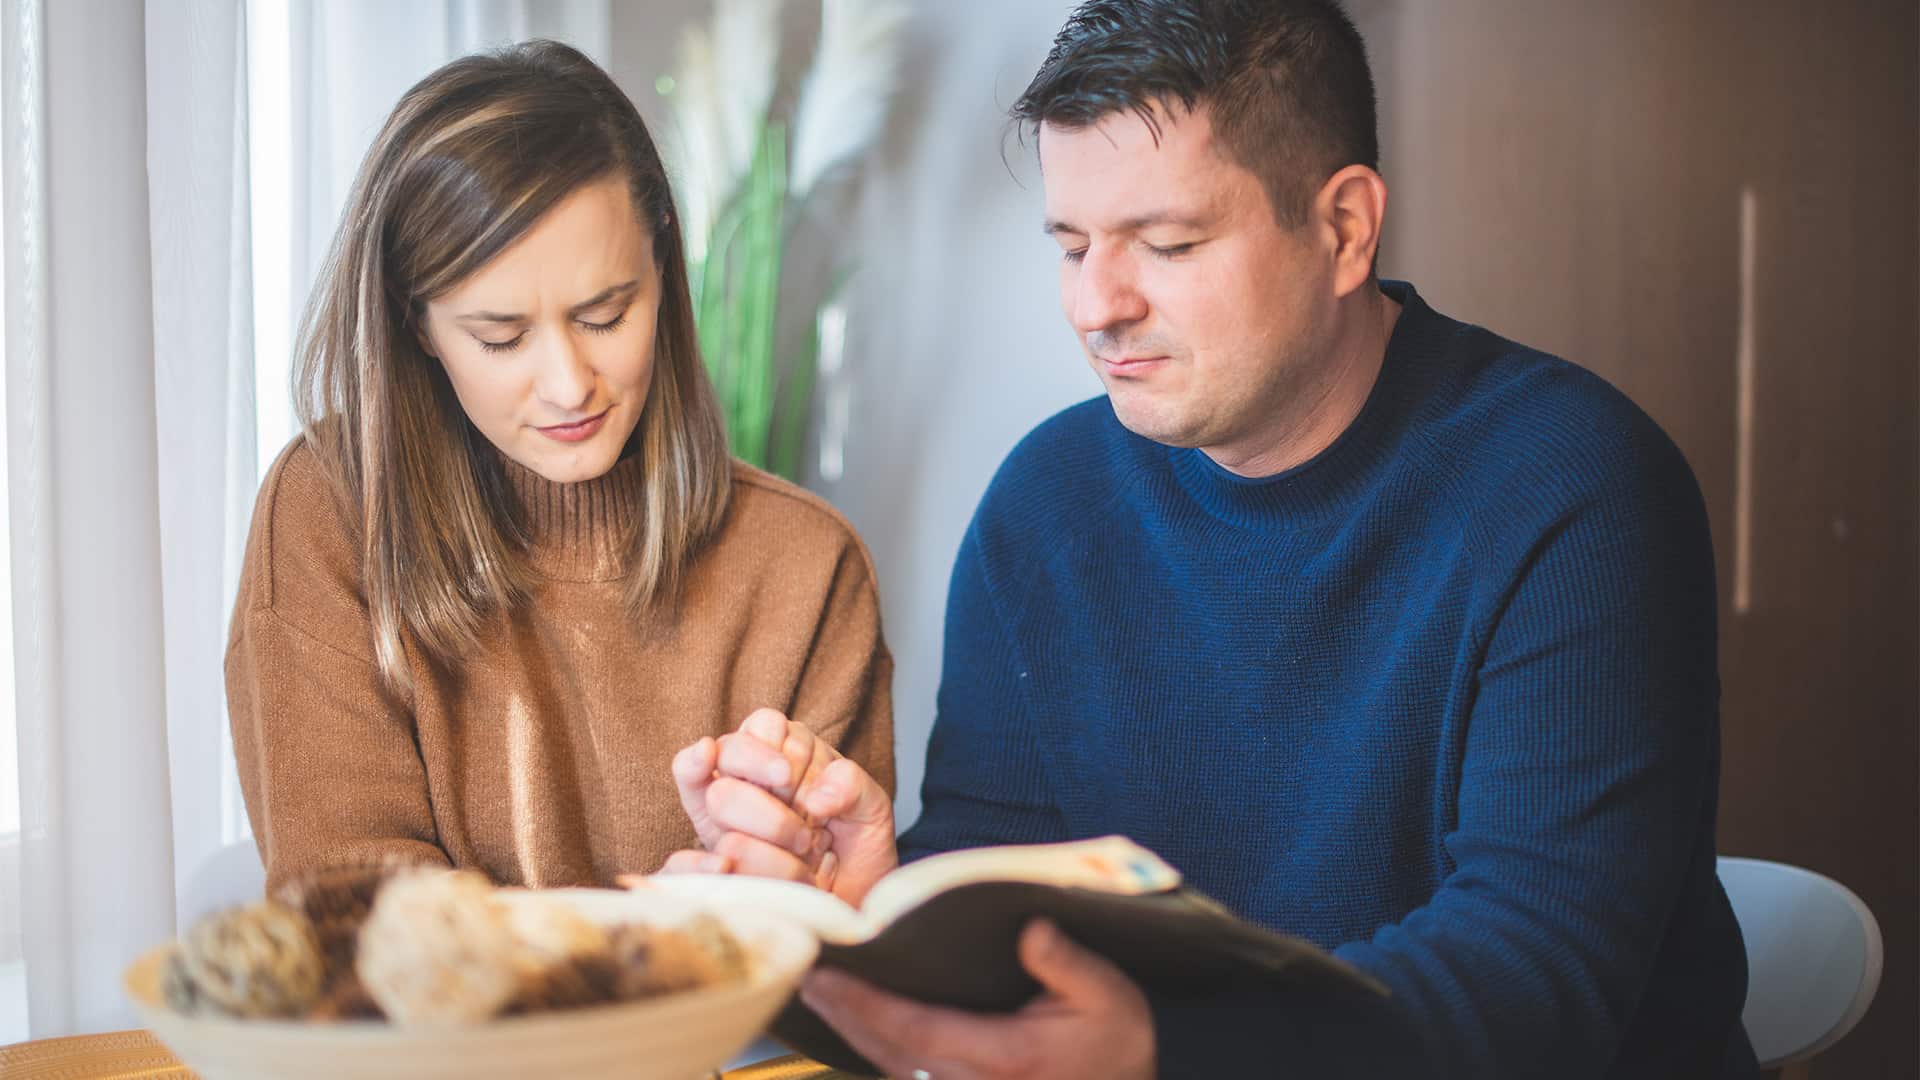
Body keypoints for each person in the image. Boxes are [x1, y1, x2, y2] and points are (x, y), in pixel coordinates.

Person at [669, 1, 1757, 1077]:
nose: (1097, 305)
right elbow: (1005, 898)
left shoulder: (1571, 488)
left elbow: (1535, 986)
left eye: (1168, 242)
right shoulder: (1047, 506)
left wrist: (1166, 1049)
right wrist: (878, 911)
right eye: (1072, 244)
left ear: (1343, 229)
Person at [226, 40, 893, 896]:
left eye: (606, 314)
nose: (570, 384)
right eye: (500, 337)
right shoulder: (331, 513)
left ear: (661, 265)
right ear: (415, 324)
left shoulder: (807, 567)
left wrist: (811, 898)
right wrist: (660, 937)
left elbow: (833, 969)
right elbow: (354, 913)